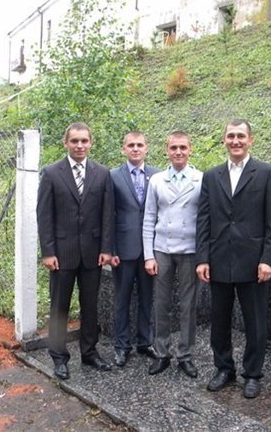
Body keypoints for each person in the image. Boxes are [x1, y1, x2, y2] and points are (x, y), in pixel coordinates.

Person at [195, 119, 271, 399]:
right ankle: (224, 368)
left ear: (250, 140)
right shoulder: (212, 176)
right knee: (219, 319)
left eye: (241, 136)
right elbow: (203, 219)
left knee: (255, 321)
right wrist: (202, 258)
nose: (236, 141)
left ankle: (253, 374)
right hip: (219, 259)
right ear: (224, 140)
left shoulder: (267, 173)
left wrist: (268, 259)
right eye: (231, 136)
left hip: (253, 262)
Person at [37, 122, 115, 380]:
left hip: (93, 253)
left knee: (90, 305)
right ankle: (59, 358)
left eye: (84, 141)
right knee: (59, 307)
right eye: (74, 141)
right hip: (62, 254)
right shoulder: (51, 173)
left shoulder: (102, 173)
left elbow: (107, 214)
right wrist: (48, 252)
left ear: (90, 143)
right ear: (66, 143)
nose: (80, 146)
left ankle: (89, 352)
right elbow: (44, 216)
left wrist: (106, 248)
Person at [142, 131, 203, 378]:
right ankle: (162, 353)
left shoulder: (201, 179)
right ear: (166, 150)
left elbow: (205, 219)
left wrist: (204, 256)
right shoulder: (157, 180)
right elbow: (149, 217)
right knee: (162, 303)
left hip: (190, 249)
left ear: (190, 150)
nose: (178, 152)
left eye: (183, 147)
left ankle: (185, 354)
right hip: (162, 249)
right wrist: (148, 255)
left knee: (188, 305)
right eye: (174, 148)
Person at [110, 131, 160, 367]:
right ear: (124, 149)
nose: (136, 148)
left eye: (140, 145)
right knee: (122, 299)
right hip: (123, 249)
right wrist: (110, 249)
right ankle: (122, 346)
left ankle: (145, 341)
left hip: (150, 250)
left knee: (147, 298)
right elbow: (108, 215)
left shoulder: (157, 175)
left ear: (146, 148)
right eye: (131, 145)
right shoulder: (113, 176)